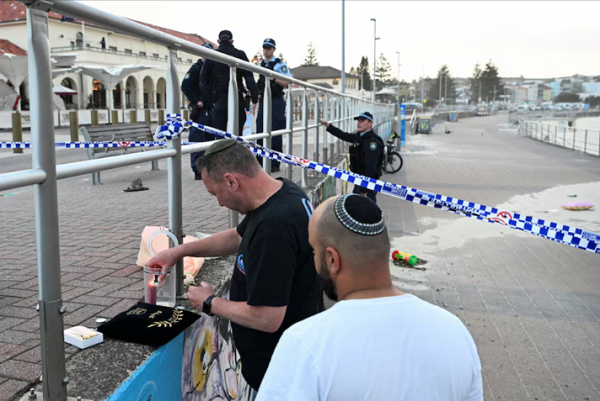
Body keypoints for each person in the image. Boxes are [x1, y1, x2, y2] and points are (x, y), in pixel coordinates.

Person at [256, 194, 483, 401]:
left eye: (314, 251)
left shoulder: (306, 344)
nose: (313, 260)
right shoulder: (454, 331)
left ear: (332, 259)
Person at [146, 139, 324, 395]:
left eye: (215, 193)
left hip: (281, 373)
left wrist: (209, 302)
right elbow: (238, 236)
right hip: (288, 361)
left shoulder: (275, 226)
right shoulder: (284, 194)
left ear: (231, 181)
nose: (218, 203)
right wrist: (179, 250)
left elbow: (268, 318)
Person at [200, 30, 258, 136]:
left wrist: (210, 100)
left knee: (219, 135)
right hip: (237, 99)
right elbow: (249, 78)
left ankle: (221, 153)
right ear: (232, 41)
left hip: (219, 100)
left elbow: (203, 82)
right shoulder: (240, 55)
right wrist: (255, 98)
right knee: (237, 136)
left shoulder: (212, 56)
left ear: (218, 41)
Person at [320, 111, 384, 203]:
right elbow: (344, 135)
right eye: (358, 120)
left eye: (362, 120)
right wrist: (328, 125)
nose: (359, 123)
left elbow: (370, 167)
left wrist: (364, 189)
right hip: (359, 180)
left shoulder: (372, 142)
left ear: (370, 123)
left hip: (366, 184)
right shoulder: (360, 137)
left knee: (367, 211)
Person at [255, 38, 292, 172]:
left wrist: (274, 78)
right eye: (264, 48)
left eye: (269, 48)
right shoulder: (260, 65)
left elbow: (288, 83)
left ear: (273, 50)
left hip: (276, 101)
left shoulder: (279, 65)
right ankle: (260, 160)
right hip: (264, 100)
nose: (266, 51)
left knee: (275, 131)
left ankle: (275, 163)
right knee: (260, 129)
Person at [181, 42, 214, 180]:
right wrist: (196, 101)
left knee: (209, 139)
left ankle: (208, 169)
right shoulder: (196, 68)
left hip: (211, 109)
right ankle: (197, 170)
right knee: (197, 139)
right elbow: (185, 86)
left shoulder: (213, 68)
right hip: (200, 110)